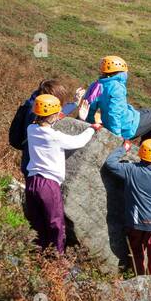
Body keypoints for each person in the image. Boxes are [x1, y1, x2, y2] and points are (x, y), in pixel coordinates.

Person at [24, 95, 98, 252]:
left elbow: (49, 121)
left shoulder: (31, 129)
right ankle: (57, 262)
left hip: (31, 182)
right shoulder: (54, 137)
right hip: (48, 184)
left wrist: (77, 113)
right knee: (56, 224)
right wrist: (92, 128)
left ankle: (38, 256)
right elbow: (78, 141)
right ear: (53, 115)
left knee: (37, 223)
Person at [104, 138, 151, 276]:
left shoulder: (130, 170)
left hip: (135, 221)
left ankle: (138, 277)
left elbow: (110, 163)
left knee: (136, 251)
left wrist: (124, 148)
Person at [8, 78, 83, 181]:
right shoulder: (34, 112)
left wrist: (74, 104)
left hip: (30, 162)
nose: (60, 105)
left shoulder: (34, 104)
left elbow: (55, 115)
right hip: (34, 166)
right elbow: (55, 117)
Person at [86, 55, 151, 147]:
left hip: (124, 118)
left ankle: (147, 149)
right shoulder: (116, 87)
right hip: (127, 127)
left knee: (149, 112)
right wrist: (117, 137)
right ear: (120, 72)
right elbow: (114, 114)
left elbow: (89, 108)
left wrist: (90, 124)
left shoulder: (97, 85)